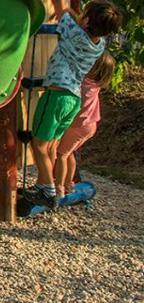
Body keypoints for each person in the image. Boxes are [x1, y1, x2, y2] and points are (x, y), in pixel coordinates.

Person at [27, 0, 123, 207]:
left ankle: (46, 190)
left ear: (87, 20)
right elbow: (71, 14)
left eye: (86, 13)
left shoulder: (73, 32)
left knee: (38, 144)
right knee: (52, 145)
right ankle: (48, 186)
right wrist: (78, 16)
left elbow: (60, 4)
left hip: (57, 96)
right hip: (72, 101)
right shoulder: (98, 44)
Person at [56, 51, 114, 196]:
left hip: (78, 126)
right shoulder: (95, 84)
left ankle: (59, 187)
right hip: (90, 125)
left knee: (61, 154)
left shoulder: (83, 82)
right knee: (69, 153)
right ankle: (69, 183)